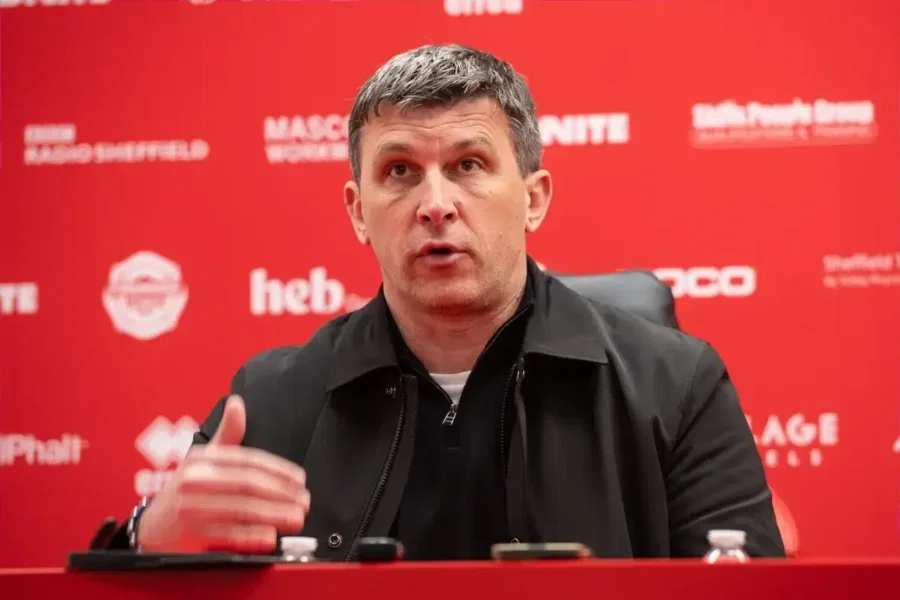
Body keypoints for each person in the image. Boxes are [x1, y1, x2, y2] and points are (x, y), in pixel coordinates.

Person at [114, 44, 786, 560]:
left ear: (534, 198)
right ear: (358, 212)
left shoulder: (677, 385)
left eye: (468, 164)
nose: (435, 205)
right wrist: (150, 537)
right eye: (399, 171)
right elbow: (148, 572)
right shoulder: (270, 402)